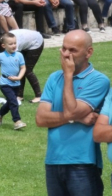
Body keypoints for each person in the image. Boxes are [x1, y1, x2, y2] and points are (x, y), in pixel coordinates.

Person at [36, 30, 110, 196]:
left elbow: (71, 109)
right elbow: (40, 119)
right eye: (64, 49)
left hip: (83, 162)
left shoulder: (99, 80)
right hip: (53, 160)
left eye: (73, 50)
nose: (66, 55)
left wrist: (68, 75)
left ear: (88, 52)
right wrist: (75, 119)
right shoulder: (54, 78)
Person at [0, 29, 43, 104]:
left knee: (27, 70)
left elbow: (13, 64)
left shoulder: (12, 46)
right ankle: (19, 95)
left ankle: (39, 96)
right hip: (26, 42)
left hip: (36, 42)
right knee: (21, 70)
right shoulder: (3, 42)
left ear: (1, 47)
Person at [0, 33, 27, 130]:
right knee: (14, 102)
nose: (13, 45)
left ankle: (0, 113)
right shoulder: (1, 56)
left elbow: (23, 68)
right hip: (5, 83)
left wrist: (19, 78)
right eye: (10, 44)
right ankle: (17, 121)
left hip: (16, 83)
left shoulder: (19, 55)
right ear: (3, 45)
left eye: (15, 43)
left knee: (11, 102)